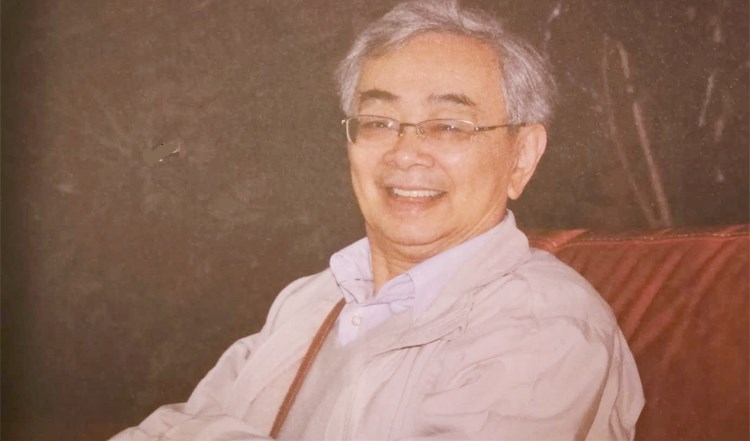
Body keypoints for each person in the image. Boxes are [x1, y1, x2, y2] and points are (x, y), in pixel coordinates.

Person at [111, 1, 644, 439]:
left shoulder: (544, 326)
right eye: (379, 121)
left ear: (521, 156)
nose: (405, 153)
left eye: (450, 126)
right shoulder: (311, 300)